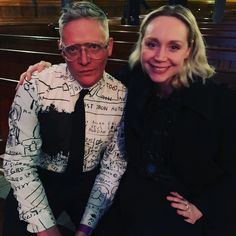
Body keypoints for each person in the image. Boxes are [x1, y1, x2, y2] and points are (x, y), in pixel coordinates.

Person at [17, 4, 236, 236]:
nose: (160, 56)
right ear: (142, 45)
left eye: (174, 46)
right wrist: (50, 71)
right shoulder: (131, 81)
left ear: (189, 49)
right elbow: (89, 80)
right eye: (152, 44)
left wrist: (204, 206)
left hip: (183, 200)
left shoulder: (220, 103)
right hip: (130, 194)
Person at [3, 1, 127, 236]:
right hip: (40, 176)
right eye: (73, 49)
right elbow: (18, 163)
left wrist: (85, 228)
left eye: (94, 47)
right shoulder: (35, 86)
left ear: (109, 46)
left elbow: (113, 166)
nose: (84, 59)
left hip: (92, 181)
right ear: (60, 47)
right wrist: (47, 229)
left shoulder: (121, 94)